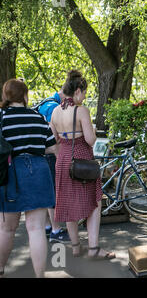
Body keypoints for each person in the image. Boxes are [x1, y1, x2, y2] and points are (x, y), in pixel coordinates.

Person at [50, 70, 115, 260]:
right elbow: (91, 139)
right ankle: (94, 249)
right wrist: (92, 129)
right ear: (78, 91)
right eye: (85, 92)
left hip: (62, 161)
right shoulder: (81, 111)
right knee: (94, 203)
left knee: (69, 203)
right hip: (81, 160)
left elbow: (54, 139)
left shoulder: (54, 111)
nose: (85, 96)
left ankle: (76, 247)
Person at [0, 79, 57, 278]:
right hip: (39, 170)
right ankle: (40, 275)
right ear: (25, 96)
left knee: (7, 229)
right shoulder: (38, 116)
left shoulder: (1, 117)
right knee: (36, 229)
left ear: (6, 96)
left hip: (10, 173)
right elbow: (51, 147)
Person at [35, 89, 70, 243]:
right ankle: (56, 230)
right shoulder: (53, 107)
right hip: (48, 154)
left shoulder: (45, 102)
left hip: (38, 154)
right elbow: (53, 136)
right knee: (52, 192)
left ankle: (48, 227)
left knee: (44, 191)